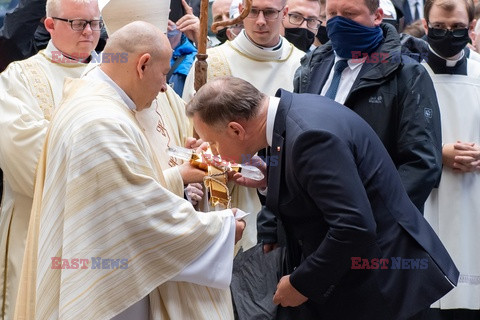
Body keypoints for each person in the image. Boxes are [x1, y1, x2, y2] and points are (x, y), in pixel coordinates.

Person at [14, 21, 245, 320]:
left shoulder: (92, 94)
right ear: (142, 65)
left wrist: (192, 165)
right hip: (106, 281)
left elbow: (127, 188)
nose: (165, 87)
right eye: (163, 74)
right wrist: (222, 231)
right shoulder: (103, 122)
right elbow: (139, 216)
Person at [186, 76, 459, 320]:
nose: (214, 151)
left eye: (214, 142)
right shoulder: (291, 112)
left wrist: (302, 283)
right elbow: (317, 189)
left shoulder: (310, 137)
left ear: (236, 129)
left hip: (379, 285)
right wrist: (269, 179)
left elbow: (354, 226)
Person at [0, 0, 101, 317]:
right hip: (38, 227)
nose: (88, 32)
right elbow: (19, 145)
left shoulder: (114, 76)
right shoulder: (20, 77)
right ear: (49, 25)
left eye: (94, 23)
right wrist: (99, 156)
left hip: (100, 230)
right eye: (77, 23)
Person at [294, 0, 442, 214]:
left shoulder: (407, 74)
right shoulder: (310, 68)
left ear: (378, 16)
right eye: (332, 14)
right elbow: (291, 145)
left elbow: (420, 163)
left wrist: (373, 219)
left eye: (349, 13)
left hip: (373, 227)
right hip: (312, 221)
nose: (338, 22)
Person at [184, 0, 305, 252]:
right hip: (222, 195)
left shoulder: (303, 65)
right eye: (253, 12)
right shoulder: (210, 62)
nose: (261, 21)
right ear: (241, 12)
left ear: (284, 13)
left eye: (270, 12)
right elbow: (192, 139)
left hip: (281, 194)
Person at [421, 0, 480, 319]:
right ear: (425, 26)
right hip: (426, 203)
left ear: (471, 28)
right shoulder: (408, 74)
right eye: (439, 28)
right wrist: (436, 152)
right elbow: (382, 138)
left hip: (474, 202)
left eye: (457, 28)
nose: (448, 34)